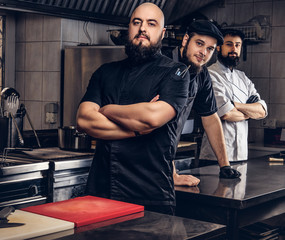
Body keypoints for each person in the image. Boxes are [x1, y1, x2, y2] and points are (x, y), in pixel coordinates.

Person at [76, 2, 190, 215]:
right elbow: (84, 120)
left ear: (162, 33)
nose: (142, 29)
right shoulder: (105, 72)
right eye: (136, 22)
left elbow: (152, 118)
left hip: (151, 192)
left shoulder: (176, 73)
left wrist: (108, 110)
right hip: (102, 191)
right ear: (129, 28)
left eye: (151, 23)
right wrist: (136, 130)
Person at [170, 20, 242, 186]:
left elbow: (211, 118)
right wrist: (171, 172)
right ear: (185, 40)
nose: (203, 52)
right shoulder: (164, 64)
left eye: (209, 48)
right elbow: (158, 124)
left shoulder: (201, 74)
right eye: (199, 44)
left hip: (165, 158)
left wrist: (224, 165)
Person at [199, 29, 267, 161]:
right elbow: (226, 114)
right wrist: (249, 113)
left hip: (241, 154)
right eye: (229, 44)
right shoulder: (210, 75)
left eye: (237, 45)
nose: (234, 49)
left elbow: (262, 111)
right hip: (214, 157)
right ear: (219, 47)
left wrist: (235, 105)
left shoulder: (243, 78)